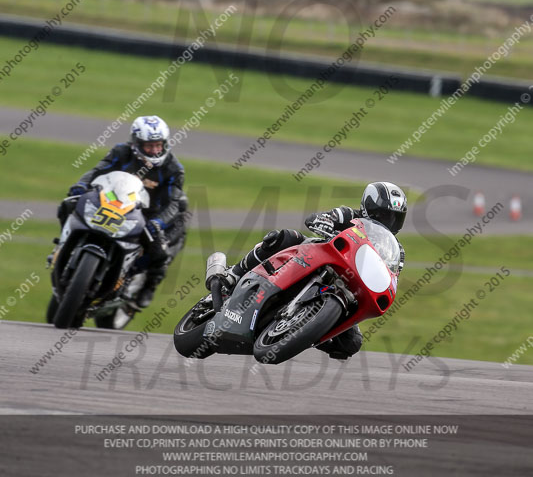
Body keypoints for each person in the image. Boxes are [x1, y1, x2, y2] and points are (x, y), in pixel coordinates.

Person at [224, 181, 407, 360]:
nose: (388, 221)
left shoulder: (395, 250)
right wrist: (323, 222)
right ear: (368, 208)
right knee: (284, 237)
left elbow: (391, 276)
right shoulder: (349, 216)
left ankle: (303, 333)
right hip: (318, 258)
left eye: (395, 217)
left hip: (351, 286)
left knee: (352, 343)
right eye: (383, 214)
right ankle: (234, 273)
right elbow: (318, 218)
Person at [58, 115, 189, 308]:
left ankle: (148, 286)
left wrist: (157, 223)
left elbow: (173, 204)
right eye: (148, 146)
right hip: (117, 203)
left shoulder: (174, 169)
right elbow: (97, 171)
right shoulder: (121, 152)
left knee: (160, 250)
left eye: (158, 145)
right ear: (136, 143)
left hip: (152, 215)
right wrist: (81, 185)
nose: (154, 150)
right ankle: (63, 244)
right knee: (68, 204)